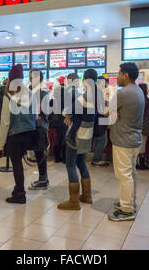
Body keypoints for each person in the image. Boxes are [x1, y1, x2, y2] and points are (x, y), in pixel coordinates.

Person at [58, 69, 101, 211]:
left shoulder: (86, 96)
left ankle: (74, 201)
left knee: (70, 164)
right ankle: (87, 195)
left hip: (77, 135)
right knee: (81, 162)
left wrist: (68, 116)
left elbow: (66, 111)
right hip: (88, 135)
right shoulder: (98, 95)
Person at [108, 63, 144, 221]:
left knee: (124, 175)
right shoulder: (138, 91)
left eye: (119, 73)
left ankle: (127, 209)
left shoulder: (122, 93)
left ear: (126, 75)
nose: (117, 76)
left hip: (123, 139)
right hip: (135, 138)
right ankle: (130, 201)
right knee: (131, 172)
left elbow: (106, 113)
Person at [0, 64, 37, 203]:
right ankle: (17, 189)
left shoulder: (8, 95)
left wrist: (1, 143)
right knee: (19, 162)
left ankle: (20, 193)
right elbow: (35, 114)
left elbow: (5, 122)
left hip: (15, 134)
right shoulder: (30, 93)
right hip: (29, 133)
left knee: (17, 164)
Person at [28, 69, 51, 190]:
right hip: (38, 125)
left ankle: (43, 180)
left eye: (32, 78)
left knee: (40, 153)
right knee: (38, 153)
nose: (30, 80)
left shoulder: (41, 92)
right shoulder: (36, 91)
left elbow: (41, 111)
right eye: (29, 77)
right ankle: (43, 178)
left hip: (40, 126)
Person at [91, 76, 109, 167]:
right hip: (101, 119)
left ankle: (96, 158)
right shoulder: (99, 93)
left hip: (96, 119)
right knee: (102, 139)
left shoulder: (95, 92)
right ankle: (96, 159)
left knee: (98, 139)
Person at [49, 76, 67, 163]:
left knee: (58, 140)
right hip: (64, 122)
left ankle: (57, 157)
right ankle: (65, 158)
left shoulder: (52, 101)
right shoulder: (67, 100)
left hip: (55, 122)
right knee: (64, 140)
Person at [137, 83, 149, 170]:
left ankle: (135, 163)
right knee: (142, 145)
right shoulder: (147, 100)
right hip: (145, 124)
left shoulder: (136, 100)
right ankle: (142, 164)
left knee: (136, 145)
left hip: (136, 124)